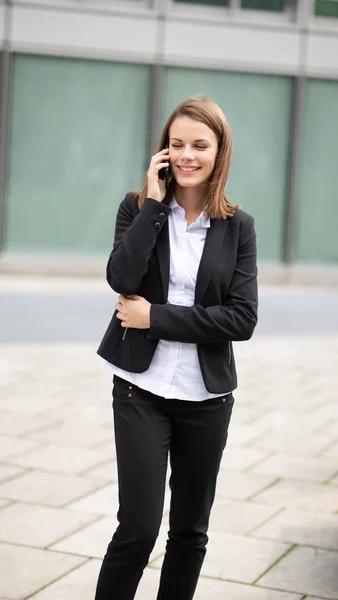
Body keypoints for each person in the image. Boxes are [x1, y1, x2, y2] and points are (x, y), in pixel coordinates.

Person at [94, 97, 258, 600]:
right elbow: (120, 277)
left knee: (189, 534)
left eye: (199, 145)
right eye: (177, 144)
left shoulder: (238, 226)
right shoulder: (136, 207)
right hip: (140, 390)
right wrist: (153, 204)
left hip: (206, 401)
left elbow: (241, 318)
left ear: (219, 152)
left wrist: (154, 318)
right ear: (163, 152)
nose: (187, 155)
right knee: (138, 530)